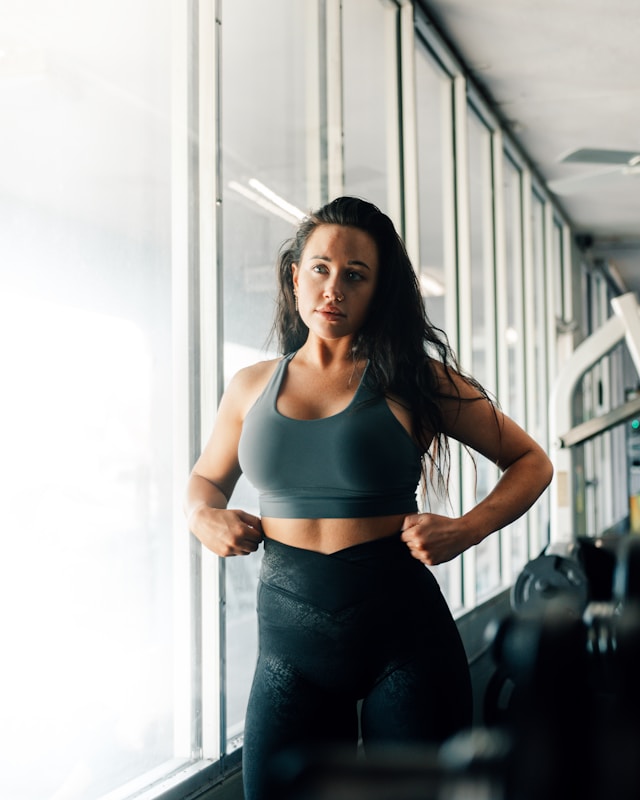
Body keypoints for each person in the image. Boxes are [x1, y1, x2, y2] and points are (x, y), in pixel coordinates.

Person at [184, 196, 553, 799]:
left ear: (378, 291)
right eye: (321, 269)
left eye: (356, 275)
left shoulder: (417, 379)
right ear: (294, 276)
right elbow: (205, 481)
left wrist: (467, 528)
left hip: (405, 645)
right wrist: (202, 516)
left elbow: (531, 462)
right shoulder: (249, 386)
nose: (334, 287)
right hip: (288, 655)